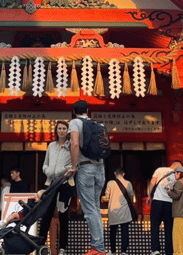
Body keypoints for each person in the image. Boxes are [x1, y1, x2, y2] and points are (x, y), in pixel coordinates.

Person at [67, 99, 107, 255]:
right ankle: (99, 244)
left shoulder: (75, 123)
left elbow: (75, 144)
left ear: (73, 111)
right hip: (100, 168)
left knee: (90, 210)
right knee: (95, 208)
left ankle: (98, 247)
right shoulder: (96, 123)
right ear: (88, 110)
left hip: (86, 168)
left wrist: (74, 166)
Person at [39, 120, 73, 255]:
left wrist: (60, 172)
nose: (61, 131)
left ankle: (63, 248)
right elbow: (45, 164)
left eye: (64, 128)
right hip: (50, 183)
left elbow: (73, 165)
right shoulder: (51, 146)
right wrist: (48, 171)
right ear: (56, 131)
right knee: (46, 214)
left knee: (64, 217)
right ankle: (41, 244)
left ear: (68, 131)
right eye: (59, 128)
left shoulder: (71, 146)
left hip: (65, 183)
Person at [148, 160, 183, 255]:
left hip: (157, 201)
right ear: (177, 166)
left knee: (155, 226)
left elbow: (152, 183)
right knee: (169, 228)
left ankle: (155, 250)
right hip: (169, 203)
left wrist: (149, 196)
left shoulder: (159, 170)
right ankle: (169, 251)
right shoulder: (177, 175)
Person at [104, 167, 135, 255]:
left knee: (113, 232)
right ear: (123, 174)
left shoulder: (110, 183)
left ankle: (113, 251)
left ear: (115, 173)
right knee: (124, 231)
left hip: (113, 210)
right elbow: (131, 195)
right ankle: (123, 251)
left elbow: (107, 196)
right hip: (124, 209)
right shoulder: (128, 183)